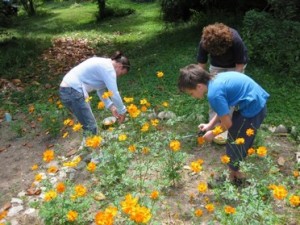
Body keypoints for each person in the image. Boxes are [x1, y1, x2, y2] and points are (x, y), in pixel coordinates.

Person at [178, 64, 269, 184]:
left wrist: (213, 133)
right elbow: (222, 111)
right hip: (254, 100)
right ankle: (236, 174)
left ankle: (231, 178)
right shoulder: (215, 79)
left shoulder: (214, 94)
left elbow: (227, 123)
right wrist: (209, 125)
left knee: (235, 141)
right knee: (235, 140)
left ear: (199, 86)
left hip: (253, 107)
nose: (192, 96)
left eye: (191, 93)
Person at [59, 51, 130, 149]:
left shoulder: (104, 64)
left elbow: (101, 90)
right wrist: (122, 111)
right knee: (91, 126)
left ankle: (85, 149)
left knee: (87, 125)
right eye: (121, 74)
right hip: (73, 91)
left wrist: (111, 107)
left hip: (67, 91)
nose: (118, 76)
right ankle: (94, 156)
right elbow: (114, 93)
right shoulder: (109, 69)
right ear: (120, 66)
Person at [197, 22, 249, 143]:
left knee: (230, 97)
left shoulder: (235, 40)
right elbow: (201, 66)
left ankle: (226, 128)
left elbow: (239, 66)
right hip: (216, 67)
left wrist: (230, 86)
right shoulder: (205, 42)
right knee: (214, 96)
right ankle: (214, 128)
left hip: (235, 67)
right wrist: (199, 83)